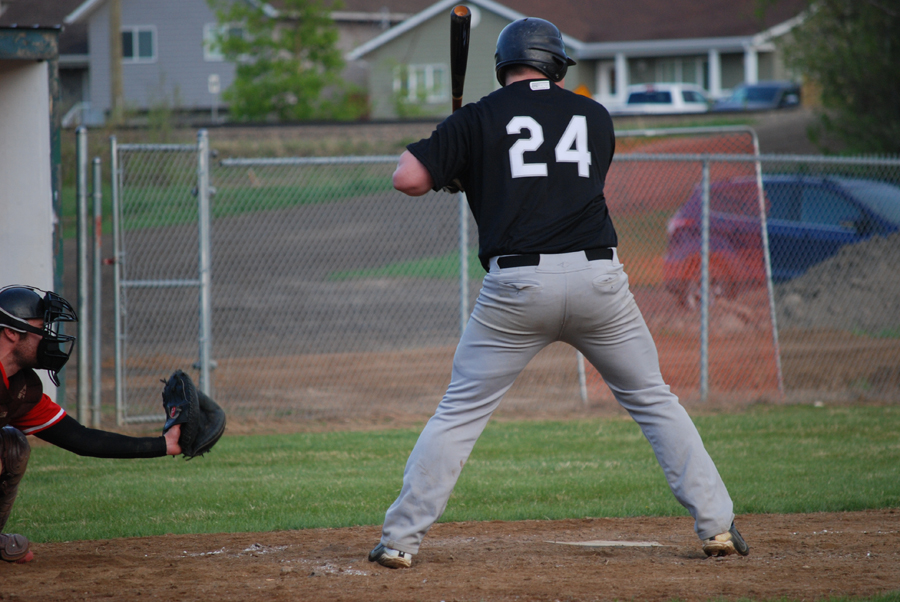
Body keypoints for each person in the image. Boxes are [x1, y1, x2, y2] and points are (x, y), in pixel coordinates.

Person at [367, 17, 749, 569]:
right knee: (654, 400)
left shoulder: (478, 116)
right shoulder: (594, 115)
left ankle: (401, 540)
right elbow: (559, 176)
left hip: (517, 288)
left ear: (504, 66)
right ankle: (716, 525)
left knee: (458, 414)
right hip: (600, 282)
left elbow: (408, 177)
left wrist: (455, 163)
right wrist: (467, 162)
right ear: (555, 65)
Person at [0, 285, 183, 564]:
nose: (49, 337)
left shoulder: (21, 388)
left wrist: (165, 444)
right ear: (12, 332)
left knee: (12, 447)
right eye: (40, 327)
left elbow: (80, 439)